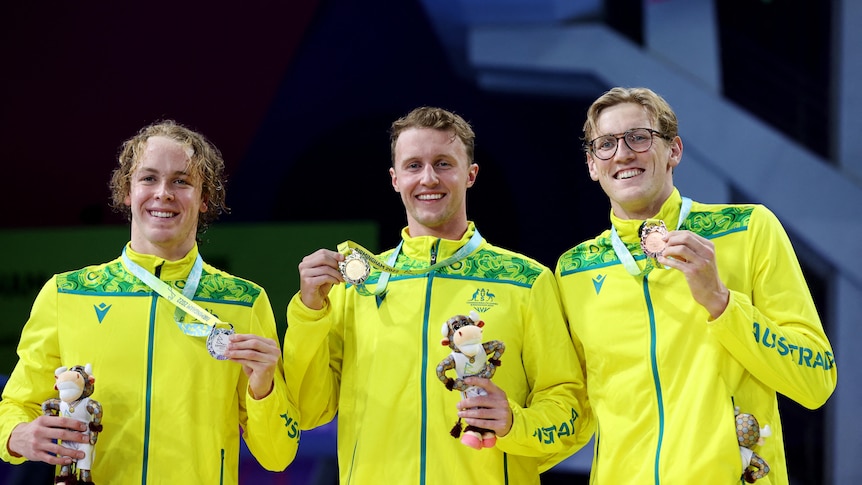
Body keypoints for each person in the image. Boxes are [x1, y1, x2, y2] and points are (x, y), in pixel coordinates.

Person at [282, 106, 592, 484]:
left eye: (443, 163)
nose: (428, 178)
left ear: (471, 175)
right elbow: (310, 410)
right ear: (395, 179)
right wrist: (309, 311)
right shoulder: (356, 289)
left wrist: (515, 423)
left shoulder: (526, 282)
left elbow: (571, 409)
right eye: (414, 166)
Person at [555, 87, 837, 484]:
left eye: (639, 137)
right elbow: (572, 411)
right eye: (605, 144)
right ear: (591, 164)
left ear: (674, 151)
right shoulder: (573, 271)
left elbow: (816, 380)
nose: (622, 154)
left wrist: (721, 303)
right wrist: (509, 423)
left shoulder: (749, 229)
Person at [0, 120, 299, 483]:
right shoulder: (67, 293)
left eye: (181, 181)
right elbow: (16, 403)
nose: (163, 193)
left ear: (205, 198)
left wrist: (264, 387)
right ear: (127, 190)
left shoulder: (244, 302)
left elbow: (278, 455)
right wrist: (17, 437)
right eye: (148, 178)